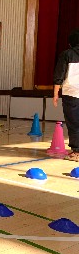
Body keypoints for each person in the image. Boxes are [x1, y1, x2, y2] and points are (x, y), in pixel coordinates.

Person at [53, 29, 79, 161]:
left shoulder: (66, 54)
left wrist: (55, 94)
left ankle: (77, 152)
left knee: (73, 123)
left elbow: (59, 75)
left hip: (71, 93)